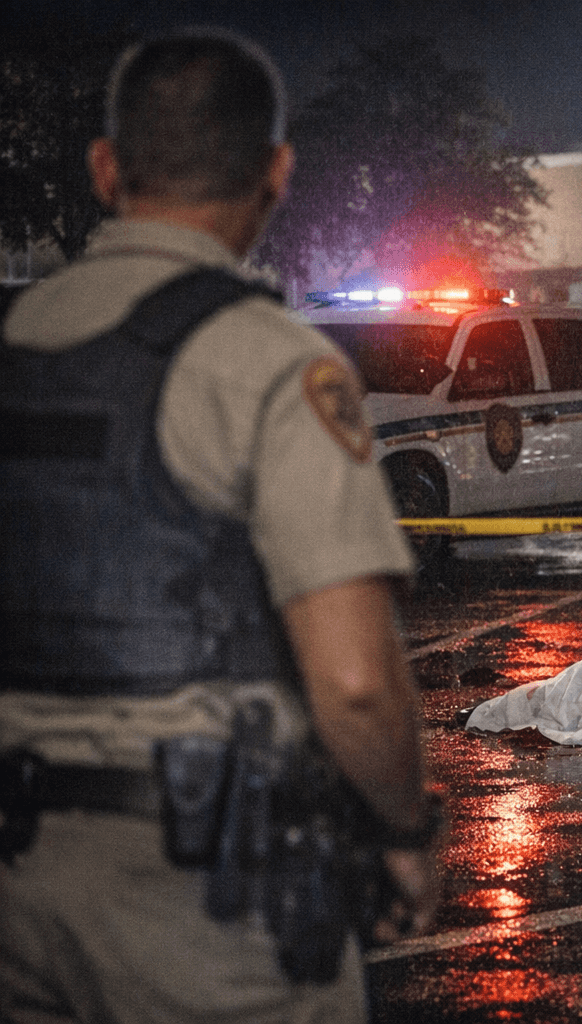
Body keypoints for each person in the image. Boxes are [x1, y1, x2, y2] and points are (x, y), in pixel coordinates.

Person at [0, 31, 441, 1021]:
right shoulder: (270, 362)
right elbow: (358, 682)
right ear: (277, 173)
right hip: (197, 892)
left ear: (106, 167)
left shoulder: (17, 343)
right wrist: (404, 828)